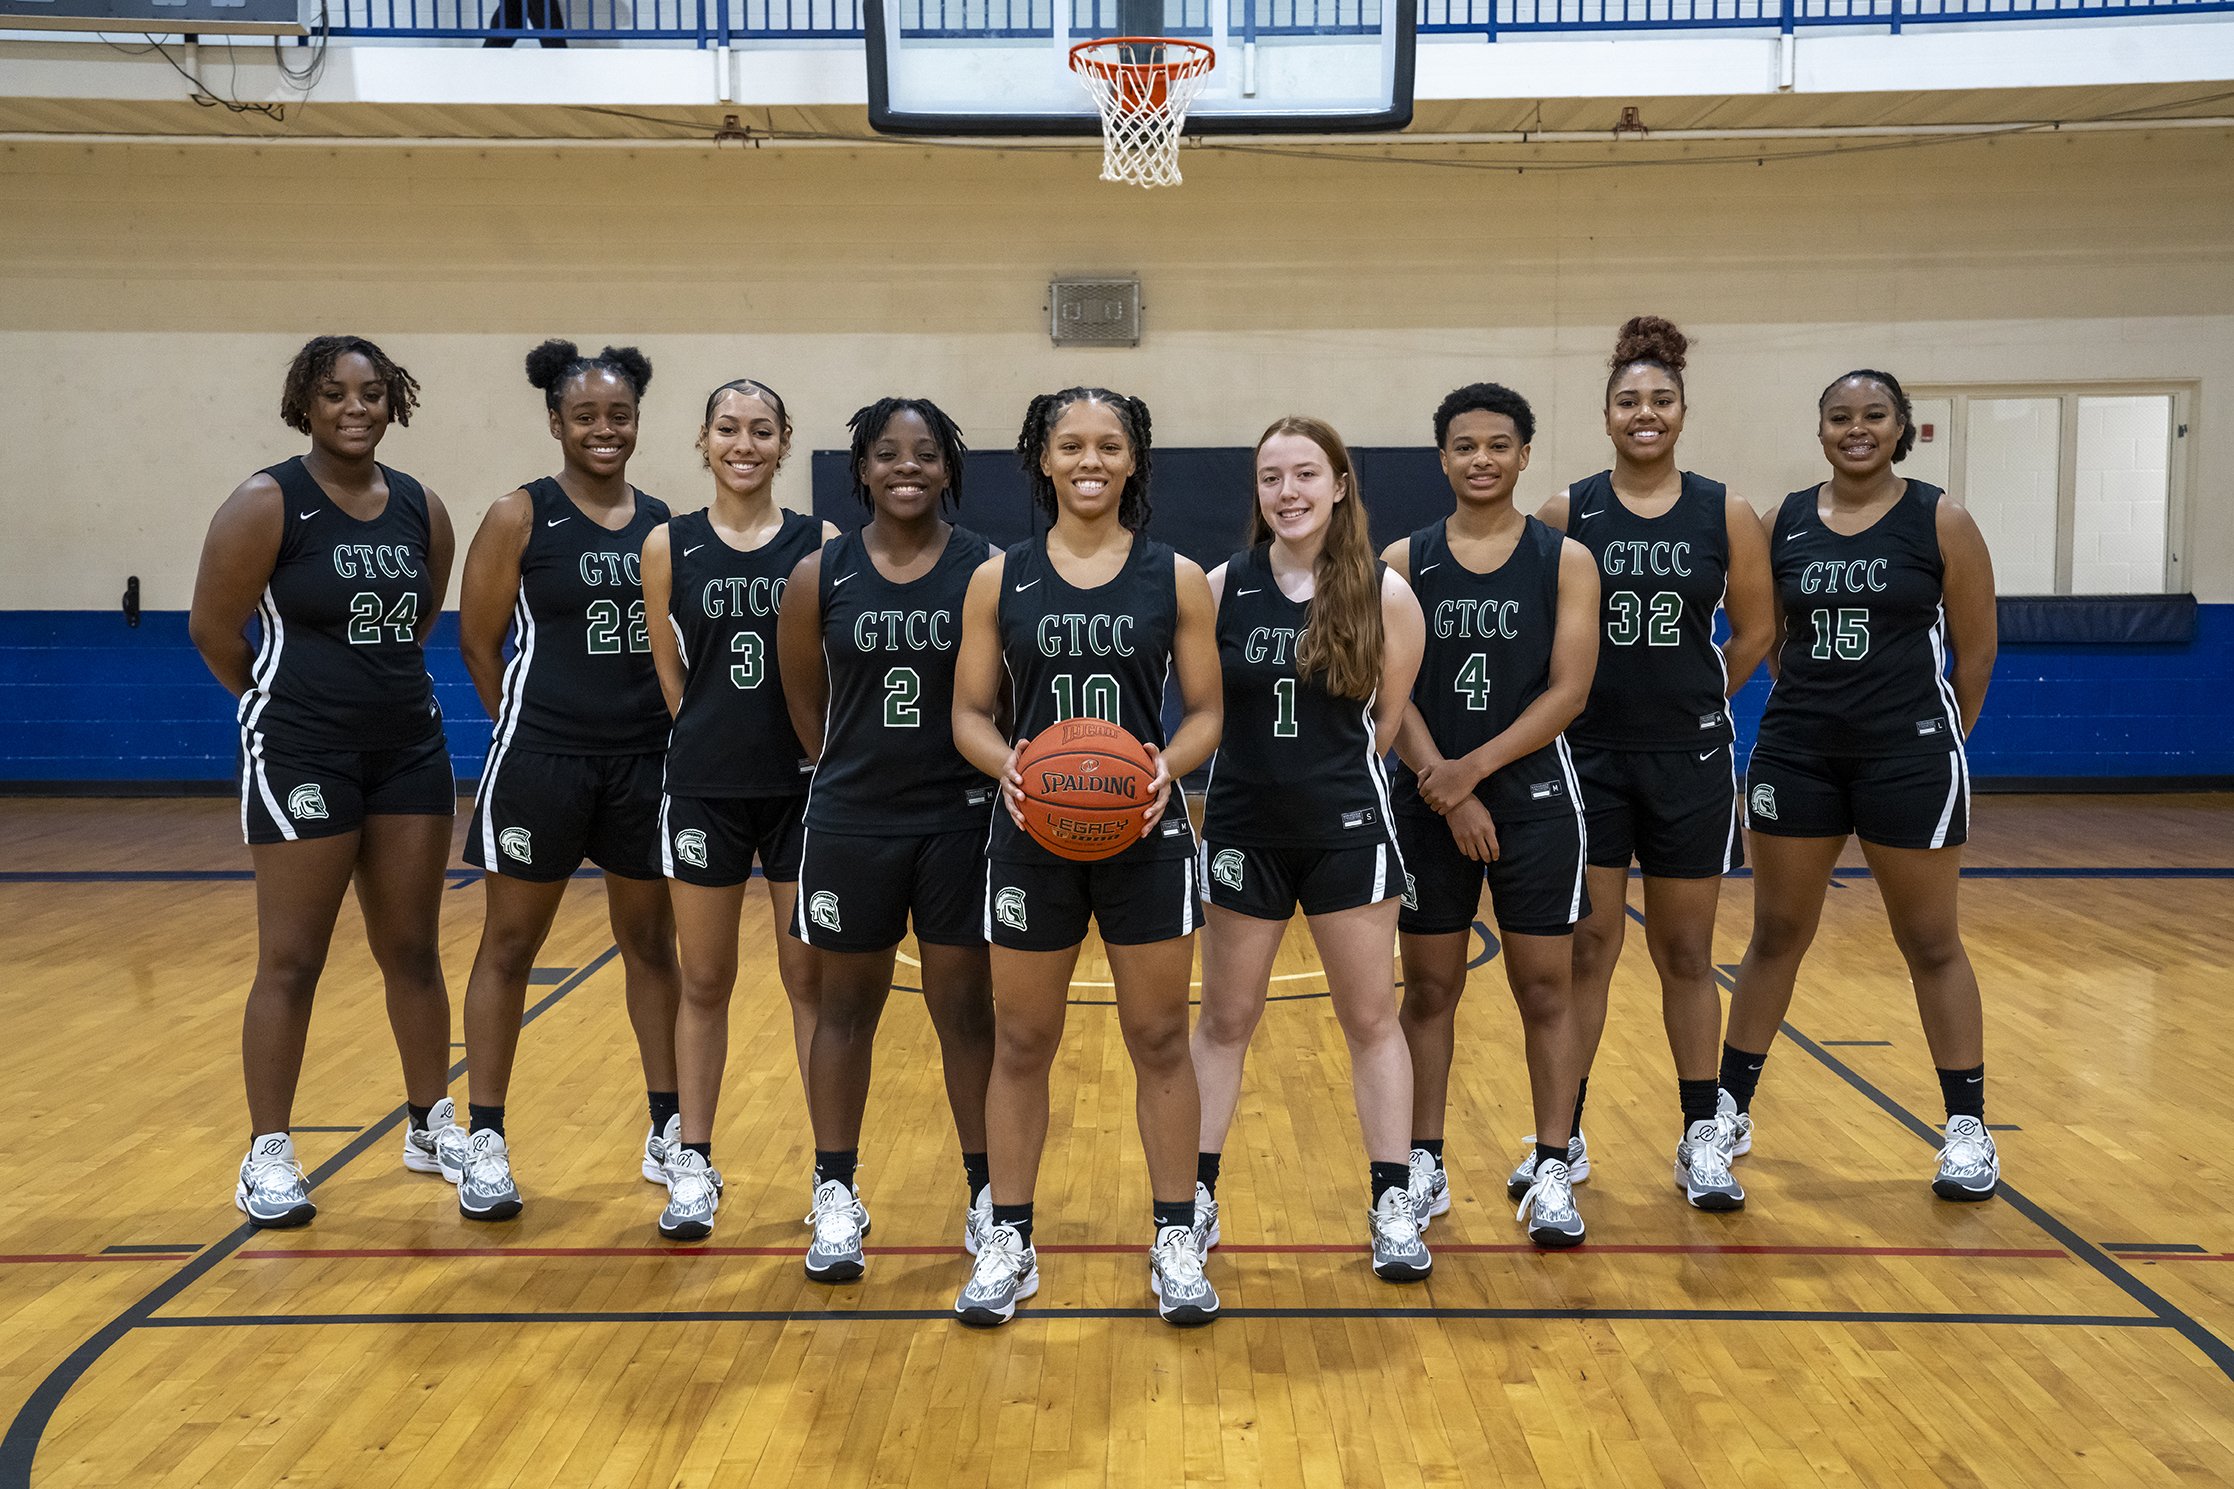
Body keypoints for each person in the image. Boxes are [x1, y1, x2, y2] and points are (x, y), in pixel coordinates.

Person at [949, 387, 1224, 1327]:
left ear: (1135, 459)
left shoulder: (1175, 576)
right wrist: (1011, 766)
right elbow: (968, 716)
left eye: (1109, 445)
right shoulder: (1001, 578)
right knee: (1022, 1041)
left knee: (1158, 1040)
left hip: (1143, 833)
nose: (1090, 461)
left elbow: (1207, 712)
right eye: (1071, 445)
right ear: (1043, 459)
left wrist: (1164, 769)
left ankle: (1176, 1236)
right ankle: (1010, 1238)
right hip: (1032, 836)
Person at [191, 335, 459, 1228]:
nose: (357, 407)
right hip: (300, 752)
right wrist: (280, 704)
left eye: (374, 392)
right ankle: (268, 1151)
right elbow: (212, 628)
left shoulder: (423, 507)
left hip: (409, 749)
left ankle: (431, 1124)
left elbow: (417, 621)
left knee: (412, 949)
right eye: (336, 392)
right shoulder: (269, 501)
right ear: (304, 402)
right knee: (293, 957)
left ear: (394, 403)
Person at [1721, 369, 2000, 1201]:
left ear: (1901, 427)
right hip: (1798, 754)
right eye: (1839, 416)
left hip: (1907, 757)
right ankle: (1725, 1113)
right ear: (1820, 431)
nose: (1856, 428)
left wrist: (1941, 736)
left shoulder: (1940, 517)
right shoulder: (1784, 522)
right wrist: (1813, 704)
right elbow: (1766, 634)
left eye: (1873, 415)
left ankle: (1967, 1130)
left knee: (1931, 941)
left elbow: (1977, 650)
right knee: (1775, 933)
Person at [1534, 316, 1775, 1212]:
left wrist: (1704, 694)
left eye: (1661, 399)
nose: (1646, 412)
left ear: (1683, 410)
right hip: (1591, 757)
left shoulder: (1725, 511)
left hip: (1691, 762)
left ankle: (1700, 1137)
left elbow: (1755, 629)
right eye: (1629, 400)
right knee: (1587, 949)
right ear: (1605, 416)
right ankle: (1564, 1140)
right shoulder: (1568, 510)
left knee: (1685, 950)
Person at [1189, 417, 1429, 1281]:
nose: (1287, 493)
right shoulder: (1221, 587)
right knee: (1224, 1021)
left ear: (1339, 486)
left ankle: (1393, 1201)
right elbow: (1201, 709)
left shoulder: (1385, 593)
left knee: (1371, 1020)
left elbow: (1388, 727)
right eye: (1269, 478)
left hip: (1345, 833)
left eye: (1303, 475)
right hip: (1243, 831)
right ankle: (1193, 1202)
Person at [448, 340, 681, 1221]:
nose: (603, 429)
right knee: (510, 945)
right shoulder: (521, 513)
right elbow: (479, 638)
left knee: (652, 943)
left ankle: (667, 1127)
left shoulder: (662, 520)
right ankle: (487, 1137)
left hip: (644, 761)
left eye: (617, 414)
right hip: (540, 760)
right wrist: (520, 719)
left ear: (636, 421)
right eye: (584, 415)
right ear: (556, 422)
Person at [775, 397, 1001, 1282]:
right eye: (886, 454)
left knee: (964, 1010)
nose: (906, 467)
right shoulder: (817, 573)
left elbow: (1000, 700)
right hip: (850, 820)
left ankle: (989, 1194)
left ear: (949, 468)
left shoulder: (987, 568)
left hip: (959, 819)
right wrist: (842, 771)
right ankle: (836, 1192)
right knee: (844, 1009)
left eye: (926, 454)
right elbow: (803, 698)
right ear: (860, 470)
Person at [1386, 382, 1601, 1249]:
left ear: (1523, 454)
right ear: (1441, 457)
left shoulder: (1565, 558)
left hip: (1534, 800)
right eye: (1465, 445)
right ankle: (1422, 1158)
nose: (1482, 458)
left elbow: (1570, 689)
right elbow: (1385, 691)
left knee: (1544, 986)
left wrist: (1469, 775)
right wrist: (1444, 783)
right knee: (1430, 987)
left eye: (1499, 444)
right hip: (1428, 796)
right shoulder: (1404, 560)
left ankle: (1553, 1163)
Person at [639, 377, 835, 1241]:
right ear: (704, 440)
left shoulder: (818, 542)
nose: (743, 444)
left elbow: (827, 668)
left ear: (784, 441)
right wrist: (710, 737)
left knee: (810, 981)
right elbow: (670, 672)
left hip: (799, 790)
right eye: (728, 428)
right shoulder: (667, 544)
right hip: (705, 790)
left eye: (761, 430)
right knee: (706, 979)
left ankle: (833, 1175)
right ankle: (693, 1161)